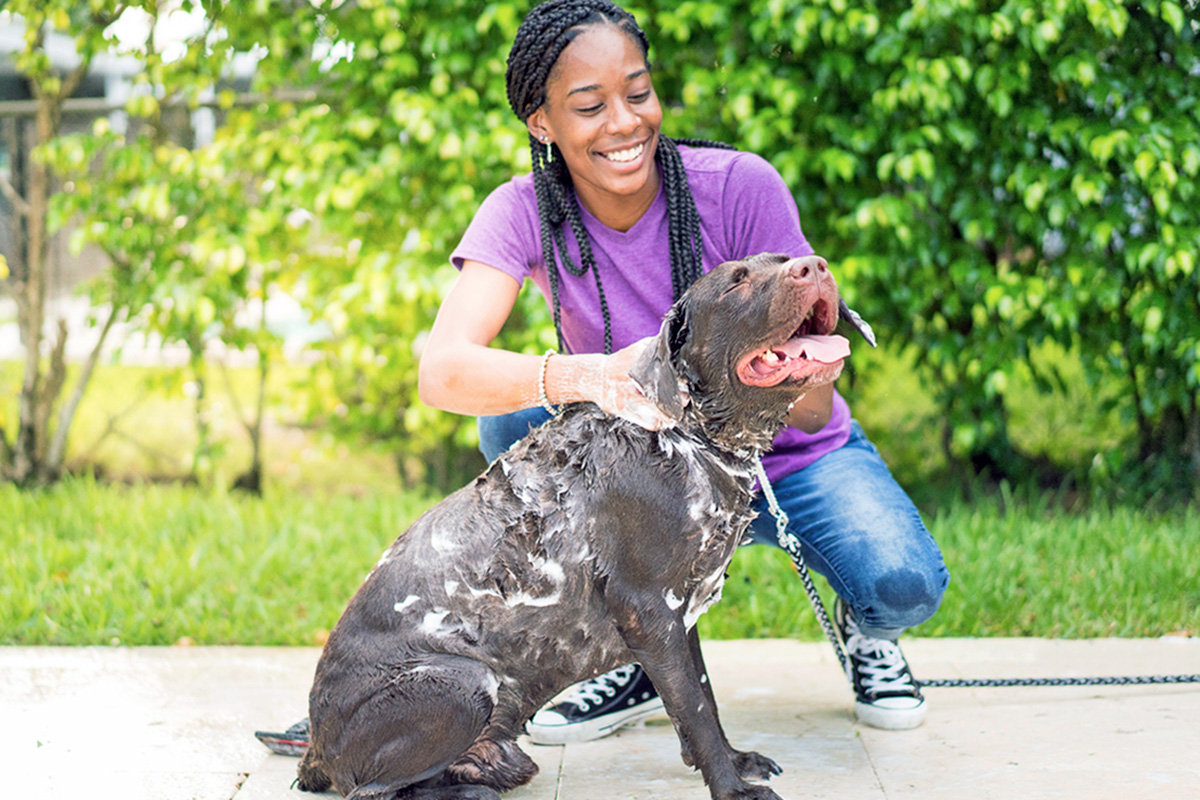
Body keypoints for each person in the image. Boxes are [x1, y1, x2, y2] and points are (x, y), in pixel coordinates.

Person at [414, 0, 950, 744]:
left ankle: (869, 635)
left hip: (778, 462)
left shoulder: (739, 186)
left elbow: (812, 411)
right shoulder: (523, 210)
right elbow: (443, 371)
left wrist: (795, 370)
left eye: (638, 93)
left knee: (904, 584)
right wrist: (594, 375)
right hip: (649, 480)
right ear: (542, 122)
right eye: (589, 105)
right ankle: (626, 643)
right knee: (511, 417)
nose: (625, 122)